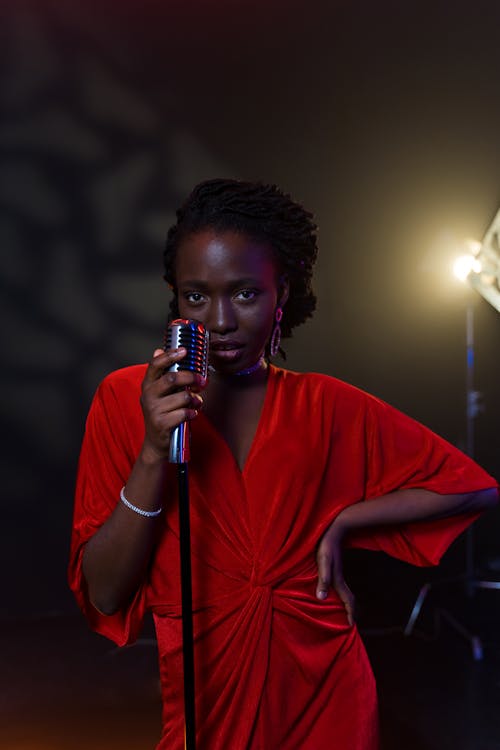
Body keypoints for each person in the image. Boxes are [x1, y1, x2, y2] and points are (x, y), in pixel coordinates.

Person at [69, 178, 498, 750]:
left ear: (282, 293)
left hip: (327, 693)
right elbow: (104, 593)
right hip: (206, 702)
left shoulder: (324, 404)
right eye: (196, 296)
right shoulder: (124, 400)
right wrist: (153, 449)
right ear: (176, 299)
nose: (219, 320)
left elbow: (474, 488)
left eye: (245, 293)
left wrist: (343, 521)